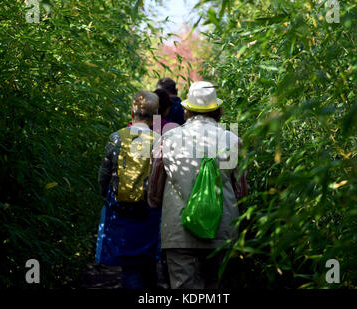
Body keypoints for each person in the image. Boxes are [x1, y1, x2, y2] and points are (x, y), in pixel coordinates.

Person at [147, 81, 248, 289]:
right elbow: (242, 192)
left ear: (187, 111)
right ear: (218, 111)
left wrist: (156, 203)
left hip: (178, 230)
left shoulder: (167, 140)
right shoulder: (233, 141)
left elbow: (154, 192)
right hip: (223, 229)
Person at [96, 90, 161, 289]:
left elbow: (104, 173)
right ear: (155, 117)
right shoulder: (159, 140)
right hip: (149, 210)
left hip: (121, 208)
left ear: (132, 114)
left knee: (130, 265)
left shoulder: (117, 138)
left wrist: (104, 196)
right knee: (148, 261)